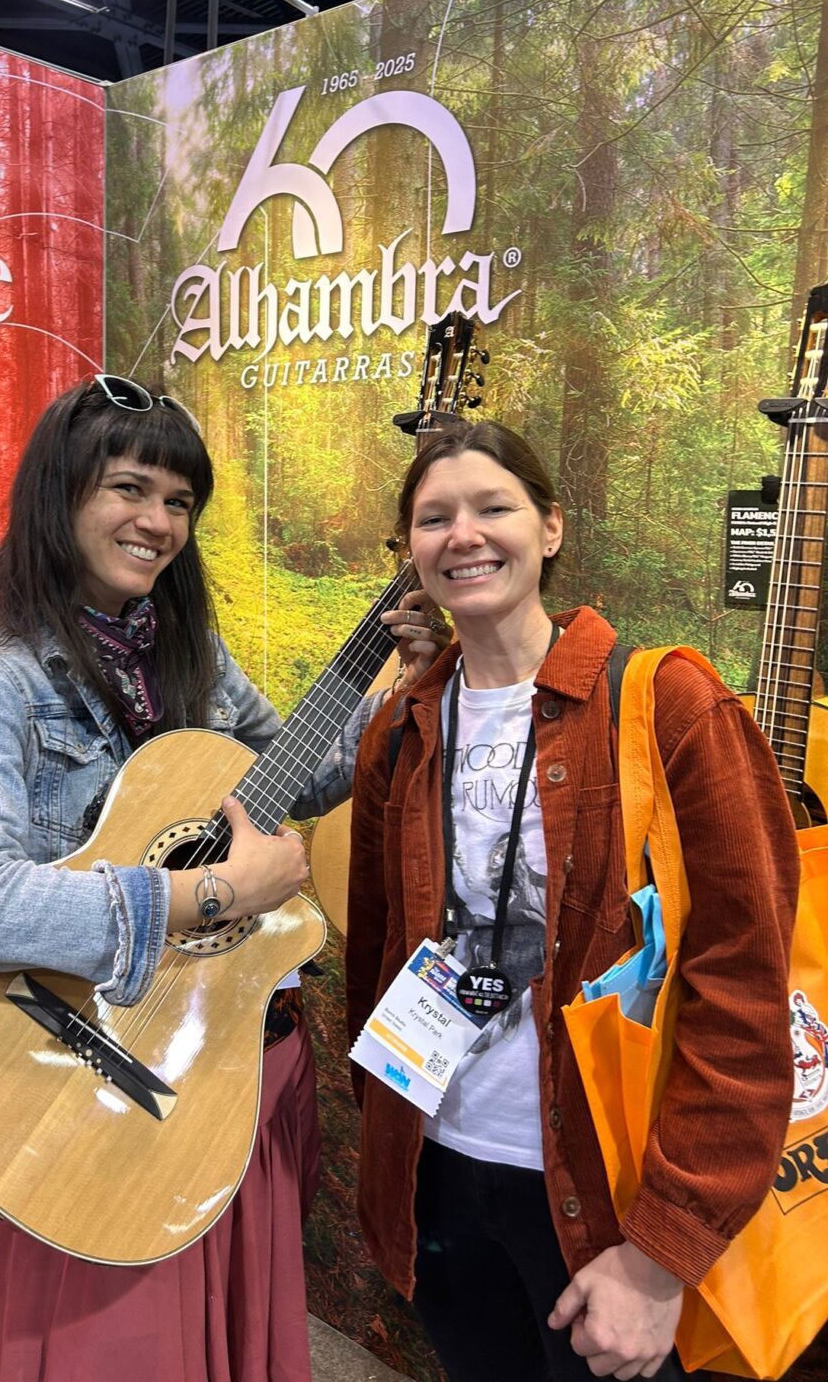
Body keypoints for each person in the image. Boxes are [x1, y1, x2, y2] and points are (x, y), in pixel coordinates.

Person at [0, 372, 444, 1382]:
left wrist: (401, 697)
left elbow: (301, 772)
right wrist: (211, 895)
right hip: (93, 1067)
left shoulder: (190, 653)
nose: (157, 521)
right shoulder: (1, 679)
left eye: (179, 501)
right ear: (61, 495)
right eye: (128, 489)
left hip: (226, 1048)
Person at [345, 418, 799, 1382]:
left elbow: (744, 989)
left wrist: (662, 1250)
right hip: (440, 1173)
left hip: (600, 1195)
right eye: (433, 518)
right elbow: (376, 958)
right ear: (410, 552)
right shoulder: (400, 727)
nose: (462, 535)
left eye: (491, 508)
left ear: (548, 529)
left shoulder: (667, 702)